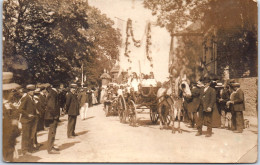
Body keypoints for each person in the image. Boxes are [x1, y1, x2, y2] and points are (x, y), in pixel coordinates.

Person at [18, 84, 37, 155]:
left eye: (33, 90)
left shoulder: (31, 97)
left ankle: (29, 149)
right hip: (26, 120)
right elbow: (20, 109)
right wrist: (28, 114)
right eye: (31, 91)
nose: (33, 92)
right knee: (25, 136)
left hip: (31, 120)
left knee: (30, 135)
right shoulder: (25, 98)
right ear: (28, 91)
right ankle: (24, 150)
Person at [45, 84, 60, 154]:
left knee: (52, 132)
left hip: (51, 116)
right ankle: (50, 149)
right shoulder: (53, 93)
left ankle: (51, 146)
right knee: (52, 132)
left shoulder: (51, 93)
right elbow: (52, 106)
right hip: (52, 117)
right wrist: (55, 116)